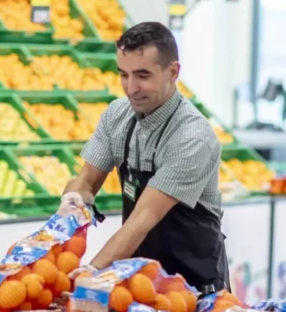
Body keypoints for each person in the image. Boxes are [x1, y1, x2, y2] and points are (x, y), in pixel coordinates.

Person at [61, 21, 228, 294]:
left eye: (142, 75)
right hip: (139, 282)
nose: (131, 87)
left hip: (192, 288)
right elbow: (86, 182)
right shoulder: (117, 115)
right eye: (123, 75)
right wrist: (70, 208)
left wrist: (89, 274)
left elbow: (142, 219)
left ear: (173, 72)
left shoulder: (191, 137)